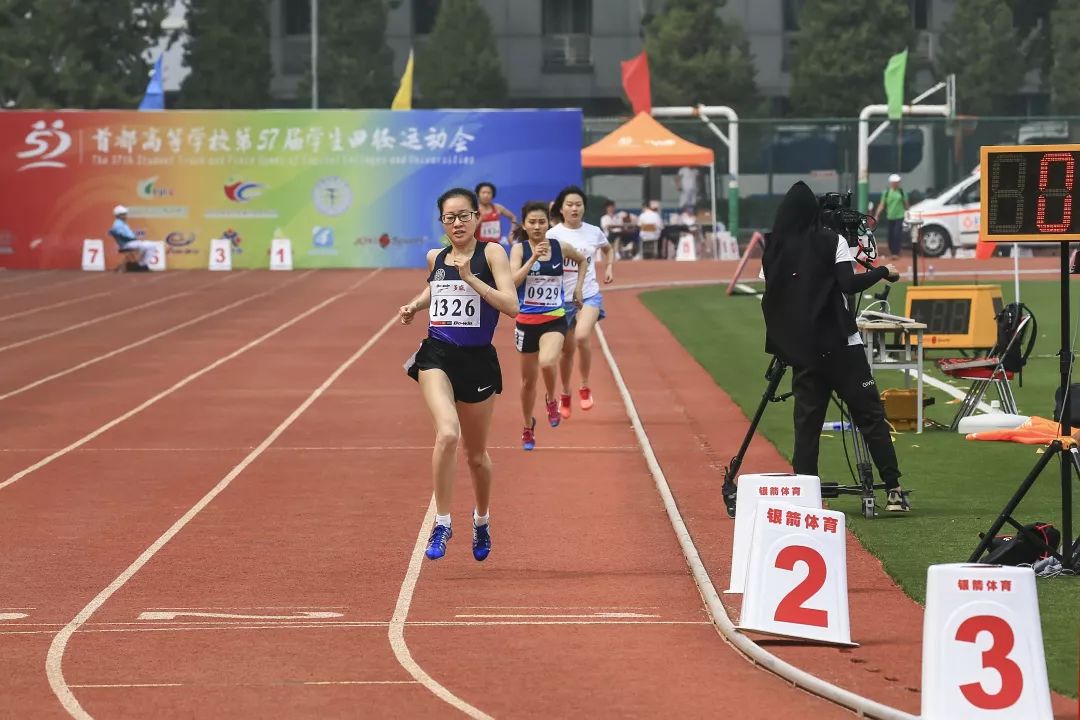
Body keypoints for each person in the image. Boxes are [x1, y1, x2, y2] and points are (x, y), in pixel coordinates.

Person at [760, 181, 910, 512]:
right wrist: (883, 271)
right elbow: (847, 283)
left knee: (807, 427)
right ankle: (894, 490)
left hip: (803, 352)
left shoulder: (773, 248)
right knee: (870, 417)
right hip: (842, 347)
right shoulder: (833, 240)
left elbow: (774, 292)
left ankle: (806, 497)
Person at [399, 188, 520, 561]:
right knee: (447, 432)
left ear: (477, 218)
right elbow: (435, 288)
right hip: (437, 354)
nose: (457, 223)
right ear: (442, 222)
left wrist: (472, 279)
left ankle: (481, 520)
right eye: (449, 218)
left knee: (477, 455)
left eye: (463, 216)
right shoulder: (436, 256)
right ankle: (443, 521)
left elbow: (512, 306)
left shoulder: (492, 253)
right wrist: (415, 306)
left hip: (478, 360)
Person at [509, 200, 587, 450]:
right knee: (527, 383)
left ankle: (551, 400)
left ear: (549, 223)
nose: (537, 226)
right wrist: (532, 258)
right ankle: (527, 425)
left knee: (548, 362)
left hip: (554, 318)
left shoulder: (560, 247)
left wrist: (577, 288)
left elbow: (583, 260)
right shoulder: (519, 250)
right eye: (532, 222)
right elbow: (512, 281)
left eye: (542, 221)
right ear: (524, 224)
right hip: (526, 322)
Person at [547, 185, 614, 419]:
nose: (574, 208)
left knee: (583, 335)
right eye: (570, 204)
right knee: (566, 351)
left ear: (584, 208)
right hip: (561, 299)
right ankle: (565, 392)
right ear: (561, 209)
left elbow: (607, 249)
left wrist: (609, 267)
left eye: (578, 204)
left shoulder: (593, 231)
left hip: (589, 294)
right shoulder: (552, 234)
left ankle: (584, 386)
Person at [107, 205, 157, 271]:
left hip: (131, 243)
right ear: (118, 215)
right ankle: (141, 265)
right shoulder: (117, 224)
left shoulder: (122, 223)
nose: (126, 216)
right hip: (127, 244)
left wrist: (136, 240)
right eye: (123, 214)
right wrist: (136, 239)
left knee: (151, 245)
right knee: (147, 246)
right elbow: (122, 235)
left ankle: (141, 265)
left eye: (125, 214)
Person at [874, 173, 909, 260]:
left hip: (899, 216)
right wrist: (876, 215)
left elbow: (906, 204)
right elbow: (882, 204)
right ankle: (892, 251)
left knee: (897, 234)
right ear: (891, 183)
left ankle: (896, 252)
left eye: (898, 182)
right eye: (895, 182)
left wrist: (908, 212)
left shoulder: (902, 192)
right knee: (890, 235)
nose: (896, 183)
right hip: (890, 217)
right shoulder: (886, 192)